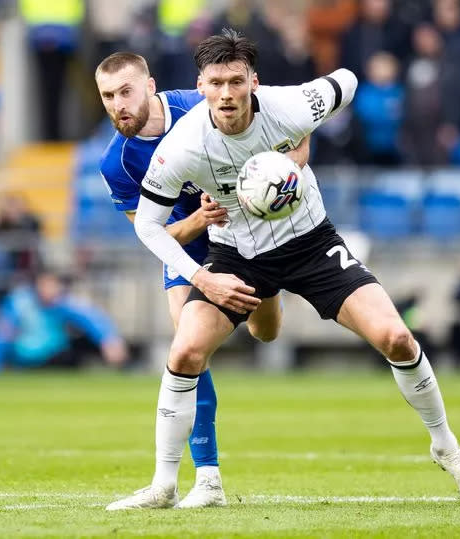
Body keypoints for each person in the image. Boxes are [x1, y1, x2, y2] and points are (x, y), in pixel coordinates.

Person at [107, 29, 460, 511]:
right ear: (200, 87)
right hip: (236, 256)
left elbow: (347, 81)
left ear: (254, 82)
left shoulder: (287, 106)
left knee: (397, 338)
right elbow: (148, 226)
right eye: (216, 83)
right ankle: (165, 485)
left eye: (236, 82)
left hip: (311, 244)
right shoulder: (182, 146)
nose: (227, 94)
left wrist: (300, 138)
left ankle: (448, 449)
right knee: (185, 351)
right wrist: (203, 278)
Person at [94, 51, 311, 508]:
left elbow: (293, 121)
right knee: (188, 350)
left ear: (150, 86)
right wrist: (197, 219)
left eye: (126, 91)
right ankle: (206, 479)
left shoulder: (201, 101)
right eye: (108, 96)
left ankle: (268, 293)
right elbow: (153, 234)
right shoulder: (117, 163)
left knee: (266, 333)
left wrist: (285, 172)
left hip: (248, 239)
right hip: (186, 252)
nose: (118, 104)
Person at [0, 270, 128, 374]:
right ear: (36, 285)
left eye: (54, 285)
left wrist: (109, 339)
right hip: (27, 359)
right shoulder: (19, 303)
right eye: (46, 285)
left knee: (84, 339)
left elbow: (90, 317)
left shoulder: (60, 302)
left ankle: (123, 367)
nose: (51, 290)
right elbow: (2, 333)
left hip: (55, 354)